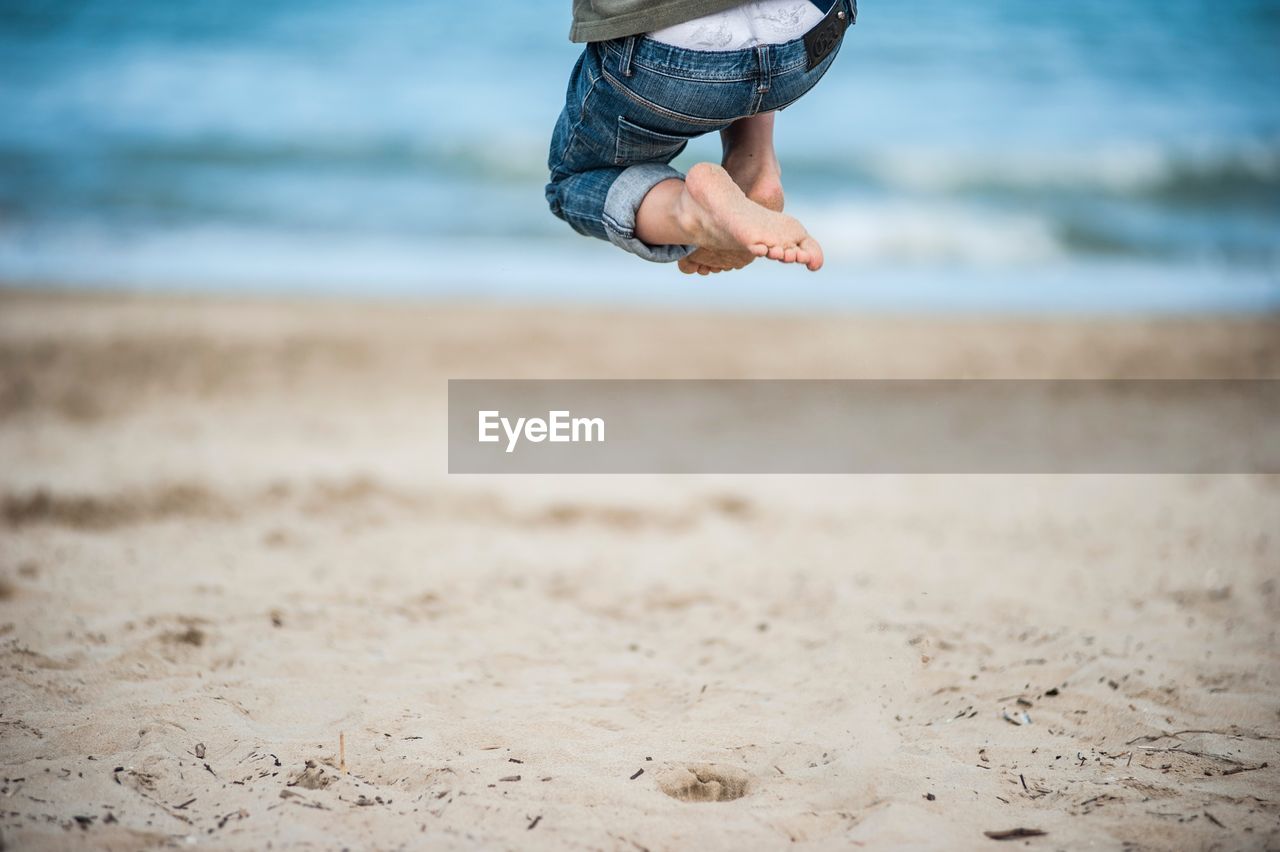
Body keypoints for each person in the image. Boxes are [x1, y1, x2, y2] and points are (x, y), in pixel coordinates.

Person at [546, 0, 854, 275]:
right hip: (811, 34)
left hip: (674, 59)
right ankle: (753, 158)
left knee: (572, 180)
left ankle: (692, 212)